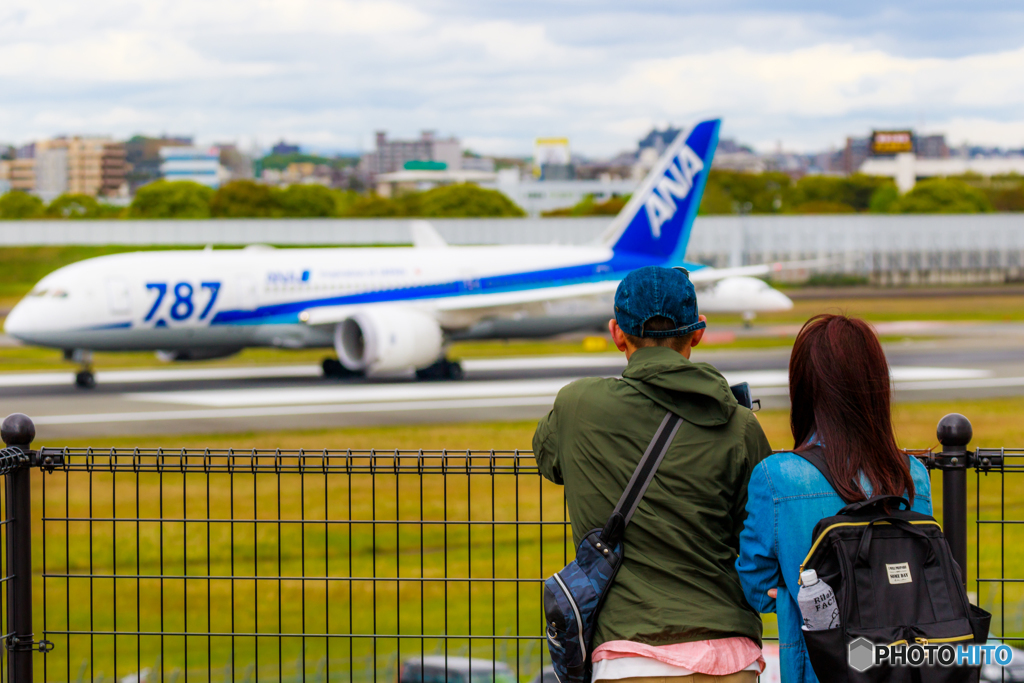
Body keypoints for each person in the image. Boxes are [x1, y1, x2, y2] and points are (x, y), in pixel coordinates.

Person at [534, 265, 773, 683]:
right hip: (728, 653)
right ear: (697, 332)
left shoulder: (578, 405)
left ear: (616, 333)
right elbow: (755, 532)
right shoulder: (740, 425)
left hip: (628, 656)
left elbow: (548, 458)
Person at [735, 314, 933, 683]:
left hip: (821, 668)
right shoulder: (912, 475)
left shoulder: (776, 476)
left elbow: (756, 589)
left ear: (804, 387)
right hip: (904, 667)